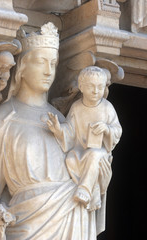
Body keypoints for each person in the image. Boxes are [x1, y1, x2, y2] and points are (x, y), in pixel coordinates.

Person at [0, 23, 112, 240]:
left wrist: (99, 164)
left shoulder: (64, 119)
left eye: (53, 63)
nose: (48, 71)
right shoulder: (5, 117)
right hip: (25, 223)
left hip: (71, 215)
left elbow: (83, 166)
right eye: (41, 62)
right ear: (23, 68)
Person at [47, 66, 122, 211]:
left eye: (100, 87)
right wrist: (58, 129)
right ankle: (92, 189)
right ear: (81, 87)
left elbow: (117, 131)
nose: (95, 91)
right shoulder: (76, 107)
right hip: (80, 152)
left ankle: (85, 190)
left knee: (94, 155)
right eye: (91, 86)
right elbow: (70, 130)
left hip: (100, 153)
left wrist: (106, 129)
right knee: (69, 159)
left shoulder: (107, 107)